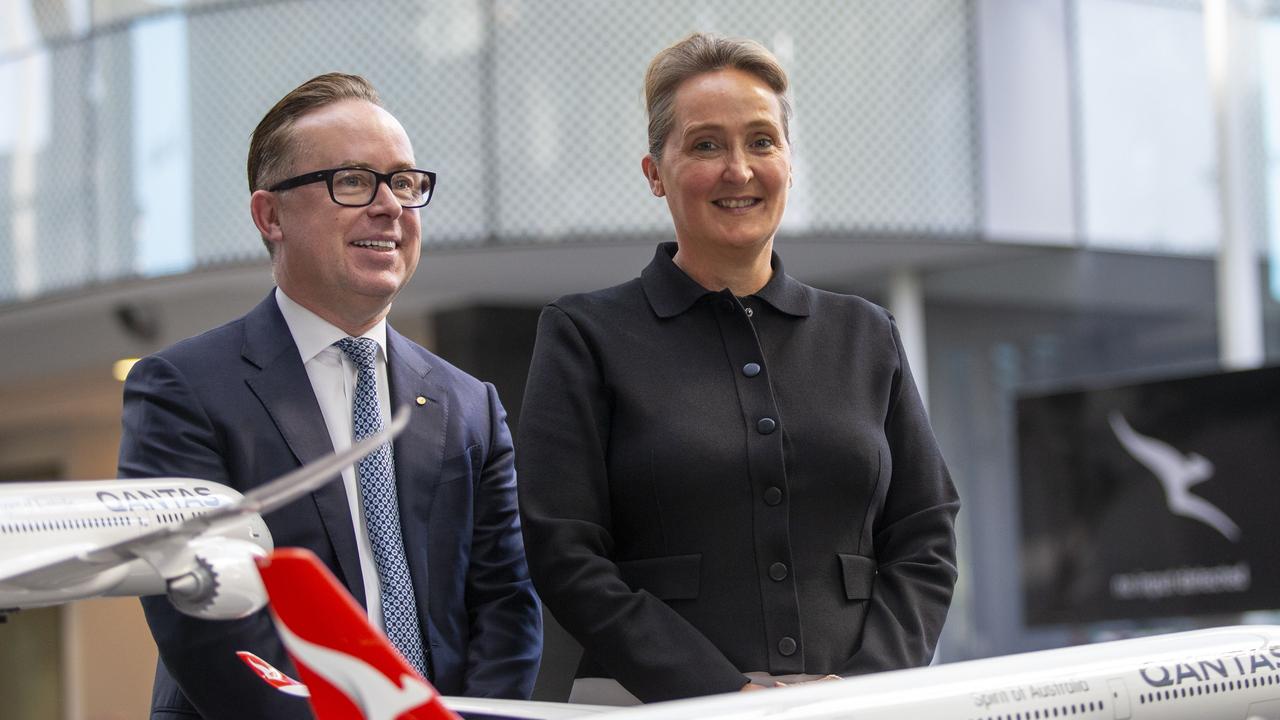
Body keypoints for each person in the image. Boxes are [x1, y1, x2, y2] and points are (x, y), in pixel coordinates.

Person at [516, 33, 959, 704]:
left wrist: (866, 691)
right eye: (705, 145)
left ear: (788, 159)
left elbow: (925, 536)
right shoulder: (585, 335)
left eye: (761, 141)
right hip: (654, 710)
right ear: (654, 172)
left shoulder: (866, 334)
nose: (739, 170)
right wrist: (719, 696)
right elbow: (563, 552)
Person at [119, 73, 542, 719]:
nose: (391, 207)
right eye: (352, 181)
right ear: (271, 215)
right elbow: (205, 618)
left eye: (404, 182)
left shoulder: (469, 404)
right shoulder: (183, 391)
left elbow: (506, 605)